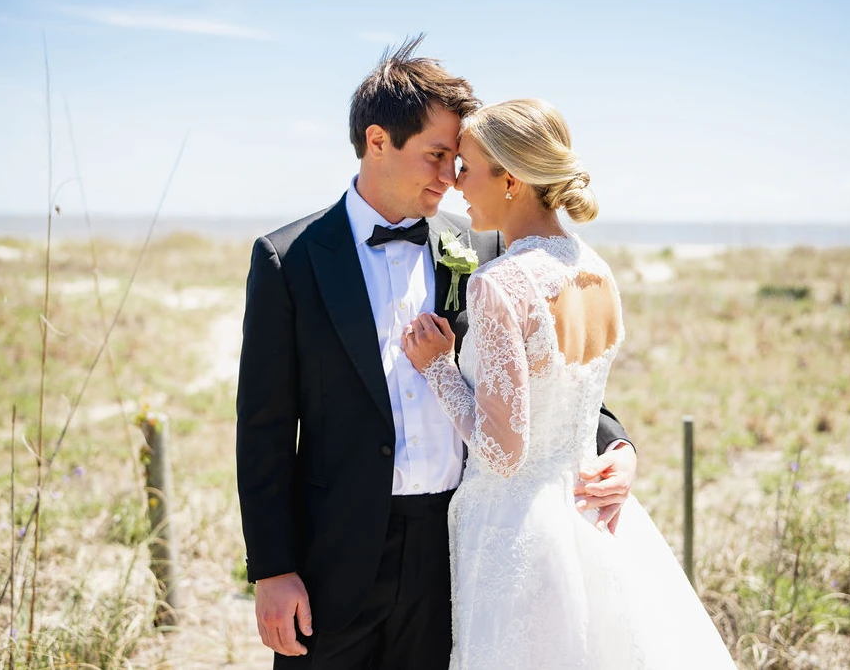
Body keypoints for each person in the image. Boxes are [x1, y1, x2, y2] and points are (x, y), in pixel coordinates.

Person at [235, 39, 638, 670]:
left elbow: (546, 369)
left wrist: (619, 445)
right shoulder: (290, 260)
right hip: (334, 558)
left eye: (459, 159)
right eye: (438, 155)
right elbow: (261, 425)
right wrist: (272, 568)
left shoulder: (482, 246)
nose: (452, 176)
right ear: (376, 141)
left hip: (459, 551)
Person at [402, 98, 737, 668]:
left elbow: (503, 453)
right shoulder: (595, 269)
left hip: (516, 528)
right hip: (589, 512)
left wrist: (438, 367)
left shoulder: (500, 285)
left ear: (509, 180)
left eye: (467, 168)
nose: (457, 184)